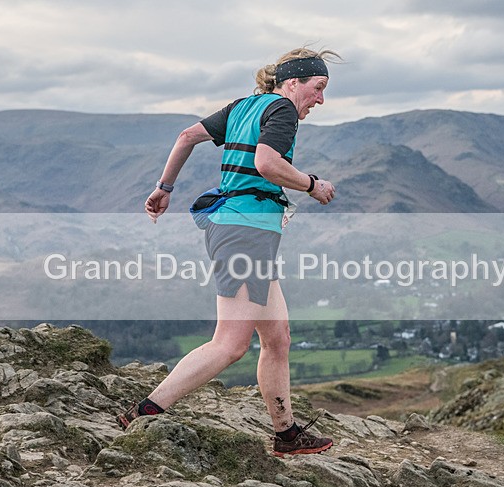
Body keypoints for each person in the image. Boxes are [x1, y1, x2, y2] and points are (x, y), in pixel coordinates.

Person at [117, 47, 339, 457]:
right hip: (245, 232)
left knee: (278, 337)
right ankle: (145, 413)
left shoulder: (243, 106)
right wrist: (312, 184)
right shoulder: (282, 109)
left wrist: (163, 187)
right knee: (231, 344)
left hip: (243, 231)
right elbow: (267, 163)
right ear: (293, 82)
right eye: (318, 88)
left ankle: (286, 434)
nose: (321, 99)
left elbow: (187, 136)